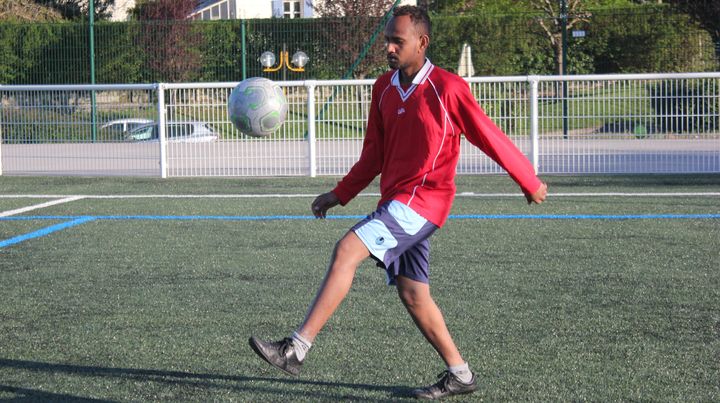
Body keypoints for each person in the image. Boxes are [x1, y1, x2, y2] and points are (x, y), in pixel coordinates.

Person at [249, 5, 547, 400]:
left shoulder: (448, 88)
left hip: (424, 203)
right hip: (397, 203)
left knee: (347, 250)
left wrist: (527, 179)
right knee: (413, 294)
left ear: (421, 43)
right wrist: (340, 194)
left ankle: (295, 349)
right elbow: (373, 154)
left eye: (397, 41)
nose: (388, 47)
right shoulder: (383, 89)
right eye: (387, 39)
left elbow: (487, 135)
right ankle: (460, 374)